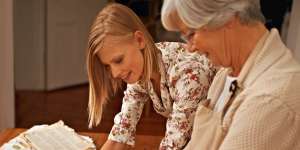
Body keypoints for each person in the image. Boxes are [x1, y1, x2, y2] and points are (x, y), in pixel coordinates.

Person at [161, 0, 300, 149]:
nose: (190, 48)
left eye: (191, 34)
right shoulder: (226, 75)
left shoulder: (271, 98)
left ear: (227, 18)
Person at [86, 3, 216, 150]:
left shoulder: (188, 75)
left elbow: (173, 145)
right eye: (108, 66)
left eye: (118, 60)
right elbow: (121, 132)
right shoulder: (140, 72)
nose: (115, 73)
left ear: (140, 40)